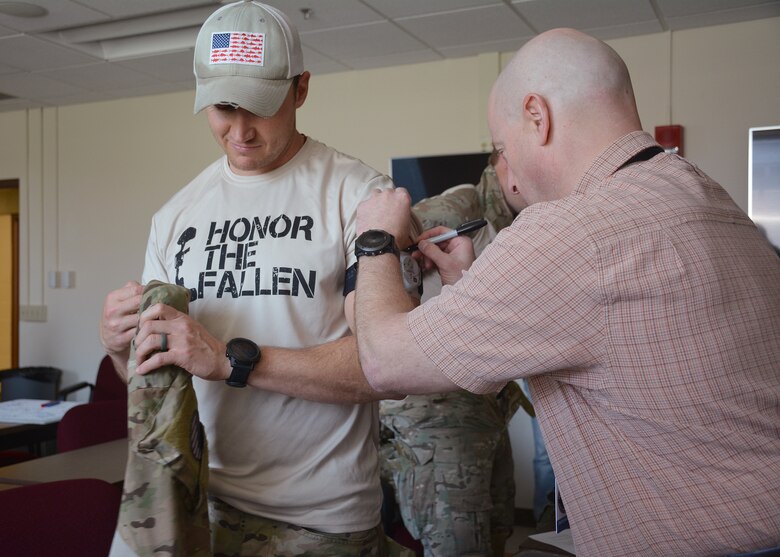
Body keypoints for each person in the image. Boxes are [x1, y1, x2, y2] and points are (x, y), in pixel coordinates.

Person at [352, 28, 780, 557]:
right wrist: (469, 283)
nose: (509, 181)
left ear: (538, 115)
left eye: (503, 148)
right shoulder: (711, 199)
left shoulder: (569, 231)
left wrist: (372, 243)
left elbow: (383, 363)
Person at [100, 1, 416, 555]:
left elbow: (383, 366)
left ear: (301, 89)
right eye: (223, 107)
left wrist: (231, 361)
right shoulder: (176, 216)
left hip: (323, 519)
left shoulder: (360, 198)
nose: (240, 130)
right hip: (202, 508)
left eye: (260, 107)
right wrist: (118, 349)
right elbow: (153, 374)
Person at [380, 151, 529, 557]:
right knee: (460, 547)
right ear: (505, 162)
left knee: (497, 535)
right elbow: (383, 247)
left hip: (481, 406)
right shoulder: (463, 203)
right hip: (435, 415)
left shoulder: (520, 222)